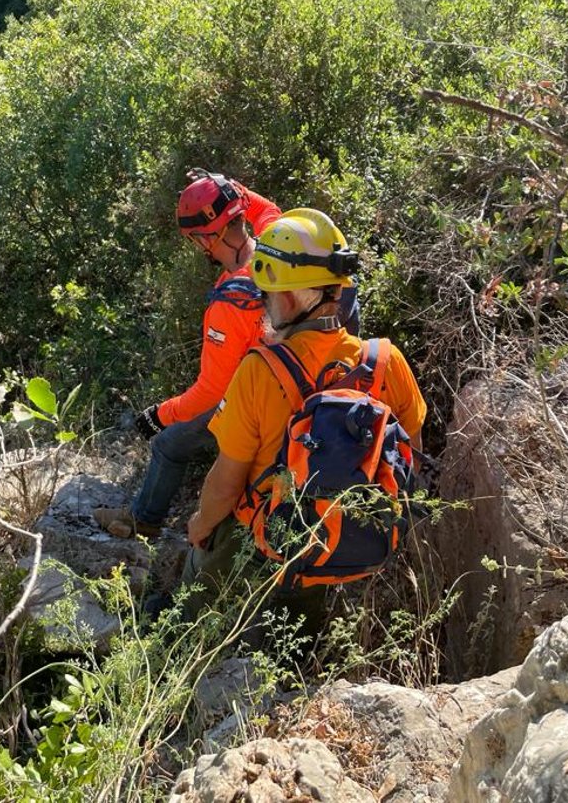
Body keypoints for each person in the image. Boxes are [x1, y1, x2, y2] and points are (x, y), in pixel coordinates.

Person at [178, 208, 427, 637]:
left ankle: (175, 649)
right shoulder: (386, 360)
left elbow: (226, 482)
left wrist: (200, 525)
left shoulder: (260, 370)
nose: (265, 306)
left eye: (267, 296)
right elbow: (412, 459)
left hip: (260, 541)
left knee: (194, 604)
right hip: (339, 545)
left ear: (290, 299)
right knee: (290, 649)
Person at [93, 168, 281, 539]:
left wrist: (159, 415)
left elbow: (211, 392)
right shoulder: (277, 242)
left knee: (169, 442)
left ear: (205, 239)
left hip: (251, 402)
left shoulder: (230, 303)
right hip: (289, 385)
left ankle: (144, 521)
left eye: (197, 239)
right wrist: (225, 186)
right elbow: (266, 208)